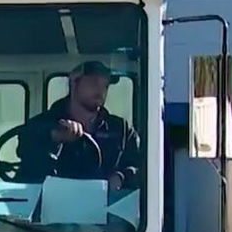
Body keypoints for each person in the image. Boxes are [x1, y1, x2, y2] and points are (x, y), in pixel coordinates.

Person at [16, 61, 141, 190]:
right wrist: (55, 141)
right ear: (74, 82)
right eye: (94, 83)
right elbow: (29, 168)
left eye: (105, 85)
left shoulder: (121, 129)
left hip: (106, 206)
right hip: (55, 204)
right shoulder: (40, 125)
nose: (100, 90)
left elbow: (141, 166)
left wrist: (122, 176)